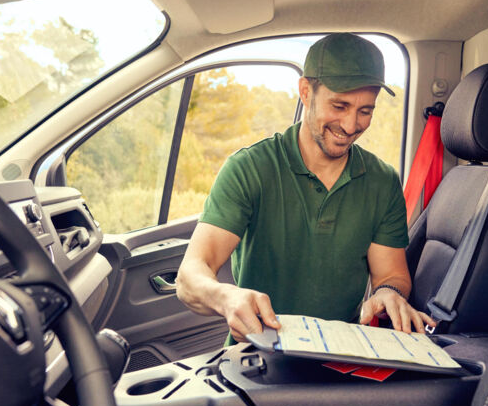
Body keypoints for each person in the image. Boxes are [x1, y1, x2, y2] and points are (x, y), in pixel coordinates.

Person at [176, 33, 436, 344]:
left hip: (342, 356)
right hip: (259, 353)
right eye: (339, 105)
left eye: (365, 111)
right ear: (305, 91)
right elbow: (190, 275)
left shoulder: (382, 181)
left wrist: (389, 294)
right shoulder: (249, 169)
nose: (352, 125)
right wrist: (226, 297)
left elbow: (392, 276)